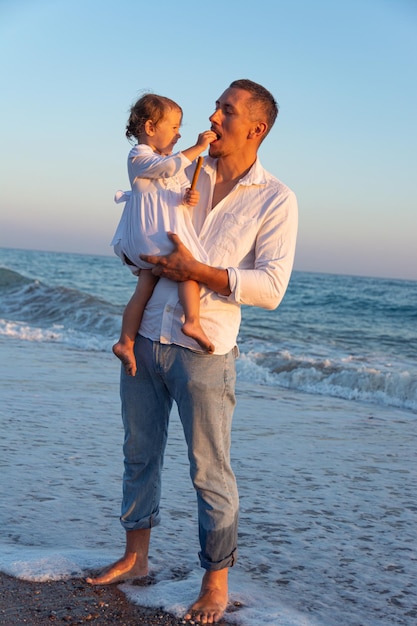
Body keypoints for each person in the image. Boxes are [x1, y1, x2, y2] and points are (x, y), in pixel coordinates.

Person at [87, 79, 298, 624]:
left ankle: (215, 583)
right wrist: (137, 259)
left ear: (257, 128)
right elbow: (130, 233)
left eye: (226, 110)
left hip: (206, 352)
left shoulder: (276, 198)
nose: (213, 116)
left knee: (210, 470)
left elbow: (271, 289)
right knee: (139, 453)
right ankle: (135, 559)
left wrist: (197, 272)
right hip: (147, 338)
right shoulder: (179, 169)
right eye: (216, 106)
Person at [111, 93, 217, 376]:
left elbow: (174, 185)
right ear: (149, 128)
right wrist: (199, 146)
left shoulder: (165, 160)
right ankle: (192, 320)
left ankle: (125, 341)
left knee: (143, 290)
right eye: (173, 127)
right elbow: (168, 168)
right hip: (152, 236)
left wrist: (188, 196)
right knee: (189, 268)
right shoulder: (139, 156)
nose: (179, 133)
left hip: (148, 241)